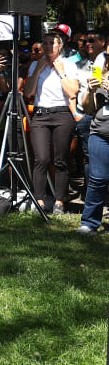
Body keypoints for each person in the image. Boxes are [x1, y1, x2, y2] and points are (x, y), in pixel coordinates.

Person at [22, 29, 80, 214]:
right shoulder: (35, 65)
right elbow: (28, 93)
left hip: (62, 114)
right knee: (41, 158)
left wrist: (61, 72)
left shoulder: (69, 65)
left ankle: (59, 202)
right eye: (44, 43)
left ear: (60, 45)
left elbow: (72, 93)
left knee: (60, 160)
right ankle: (38, 200)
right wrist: (38, 69)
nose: (47, 46)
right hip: (40, 114)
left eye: (51, 43)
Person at [77, 59, 108, 236]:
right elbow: (89, 109)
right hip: (99, 135)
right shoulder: (101, 75)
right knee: (97, 179)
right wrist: (90, 91)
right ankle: (89, 223)